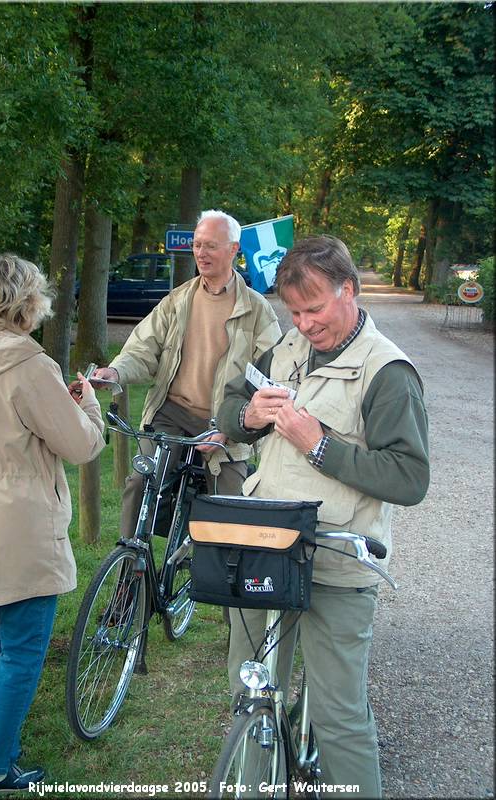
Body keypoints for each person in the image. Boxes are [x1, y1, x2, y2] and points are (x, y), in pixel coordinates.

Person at [217, 235, 430, 799]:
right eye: (295, 311)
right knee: (252, 693)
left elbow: (410, 479)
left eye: (315, 309)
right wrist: (248, 414)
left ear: (349, 291)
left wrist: (320, 446)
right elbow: (229, 411)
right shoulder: (286, 347)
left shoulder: (387, 372)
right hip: (266, 545)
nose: (305, 323)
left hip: (336, 560)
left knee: (338, 719)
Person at [0, 253, 105, 795]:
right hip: (21, 524)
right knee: (21, 648)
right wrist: (91, 408)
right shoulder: (30, 366)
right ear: (26, 301)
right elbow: (80, 445)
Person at [89, 209, 282, 540]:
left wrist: (232, 429)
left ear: (234, 249)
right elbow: (142, 350)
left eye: (210, 246)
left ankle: (217, 578)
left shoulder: (256, 309)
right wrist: (115, 372)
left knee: (230, 505)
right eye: (197, 245)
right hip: (172, 414)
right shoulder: (178, 300)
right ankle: (130, 564)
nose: (201, 253)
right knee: (140, 481)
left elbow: (270, 377)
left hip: (224, 420)